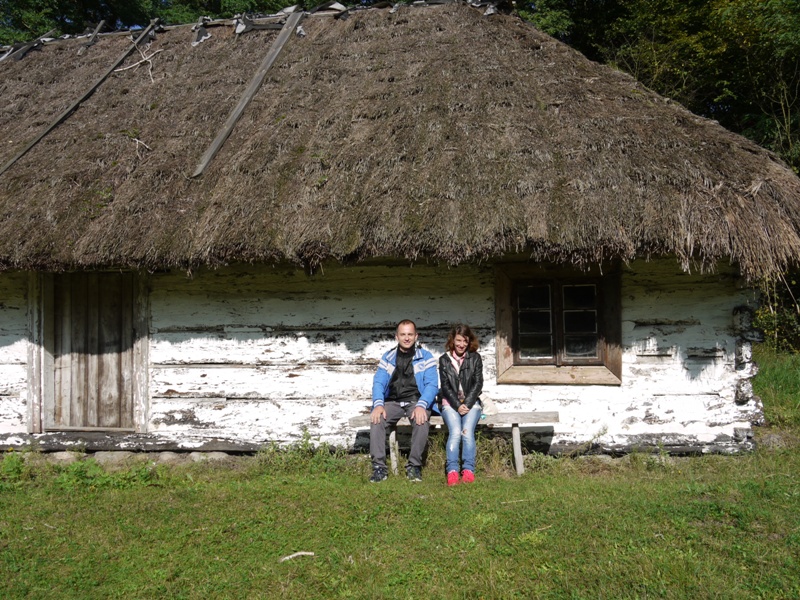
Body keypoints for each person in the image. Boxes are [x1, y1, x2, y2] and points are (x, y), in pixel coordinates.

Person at [369, 319, 438, 483]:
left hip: (416, 400)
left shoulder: (426, 357)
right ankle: (379, 468)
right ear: (397, 336)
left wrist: (422, 405)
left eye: (410, 334)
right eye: (403, 334)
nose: (406, 338)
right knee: (377, 419)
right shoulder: (388, 357)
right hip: (393, 401)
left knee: (421, 420)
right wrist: (378, 404)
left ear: (416, 336)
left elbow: (432, 385)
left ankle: (414, 466)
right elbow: (378, 382)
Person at [438, 324, 484, 486]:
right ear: (452, 340)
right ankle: (452, 471)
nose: (461, 344)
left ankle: (468, 470)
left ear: (469, 341)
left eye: (465, 341)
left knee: (467, 432)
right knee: (456, 432)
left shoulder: (475, 358)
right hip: (450, 403)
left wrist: (468, 403)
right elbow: (445, 386)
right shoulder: (444, 360)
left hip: (471, 402)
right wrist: (457, 405)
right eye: (458, 340)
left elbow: (478, 383)